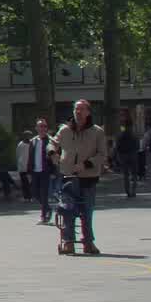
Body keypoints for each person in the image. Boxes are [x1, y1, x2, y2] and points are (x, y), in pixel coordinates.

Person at [51, 101, 108, 256]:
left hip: (88, 177)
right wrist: (52, 154)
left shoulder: (97, 132)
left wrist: (86, 164)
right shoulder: (65, 130)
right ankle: (68, 242)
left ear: (88, 112)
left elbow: (102, 154)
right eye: (76, 109)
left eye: (82, 109)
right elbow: (52, 144)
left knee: (87, 211)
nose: (78, 112)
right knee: (68, 210)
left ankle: (88, 242)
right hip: (68, 177)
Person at [22, 119, 55, 223]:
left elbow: (54, 157)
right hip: (35, 171)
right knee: (35, 192)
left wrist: (53, 172)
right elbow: (30, 157)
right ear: (36, 128)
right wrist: (28, 172)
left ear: (47, 128)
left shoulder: (50, 140)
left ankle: (44, 215)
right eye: (40, 126)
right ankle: (48, 208)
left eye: (44, 126)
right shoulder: (33, 141)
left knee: (44, 193)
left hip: (45, 171)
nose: (42, 128)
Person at [114, 113, 141, 199]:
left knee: (126, 175)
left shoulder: (120, 134)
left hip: (123, 155)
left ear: (124, 125)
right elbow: (138, 146)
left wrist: (118, 155)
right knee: (134, 175)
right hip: (133, 155)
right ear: (132, 125)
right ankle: (134, 191)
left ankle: (128, 191)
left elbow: (117, 146)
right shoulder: (135, 135)